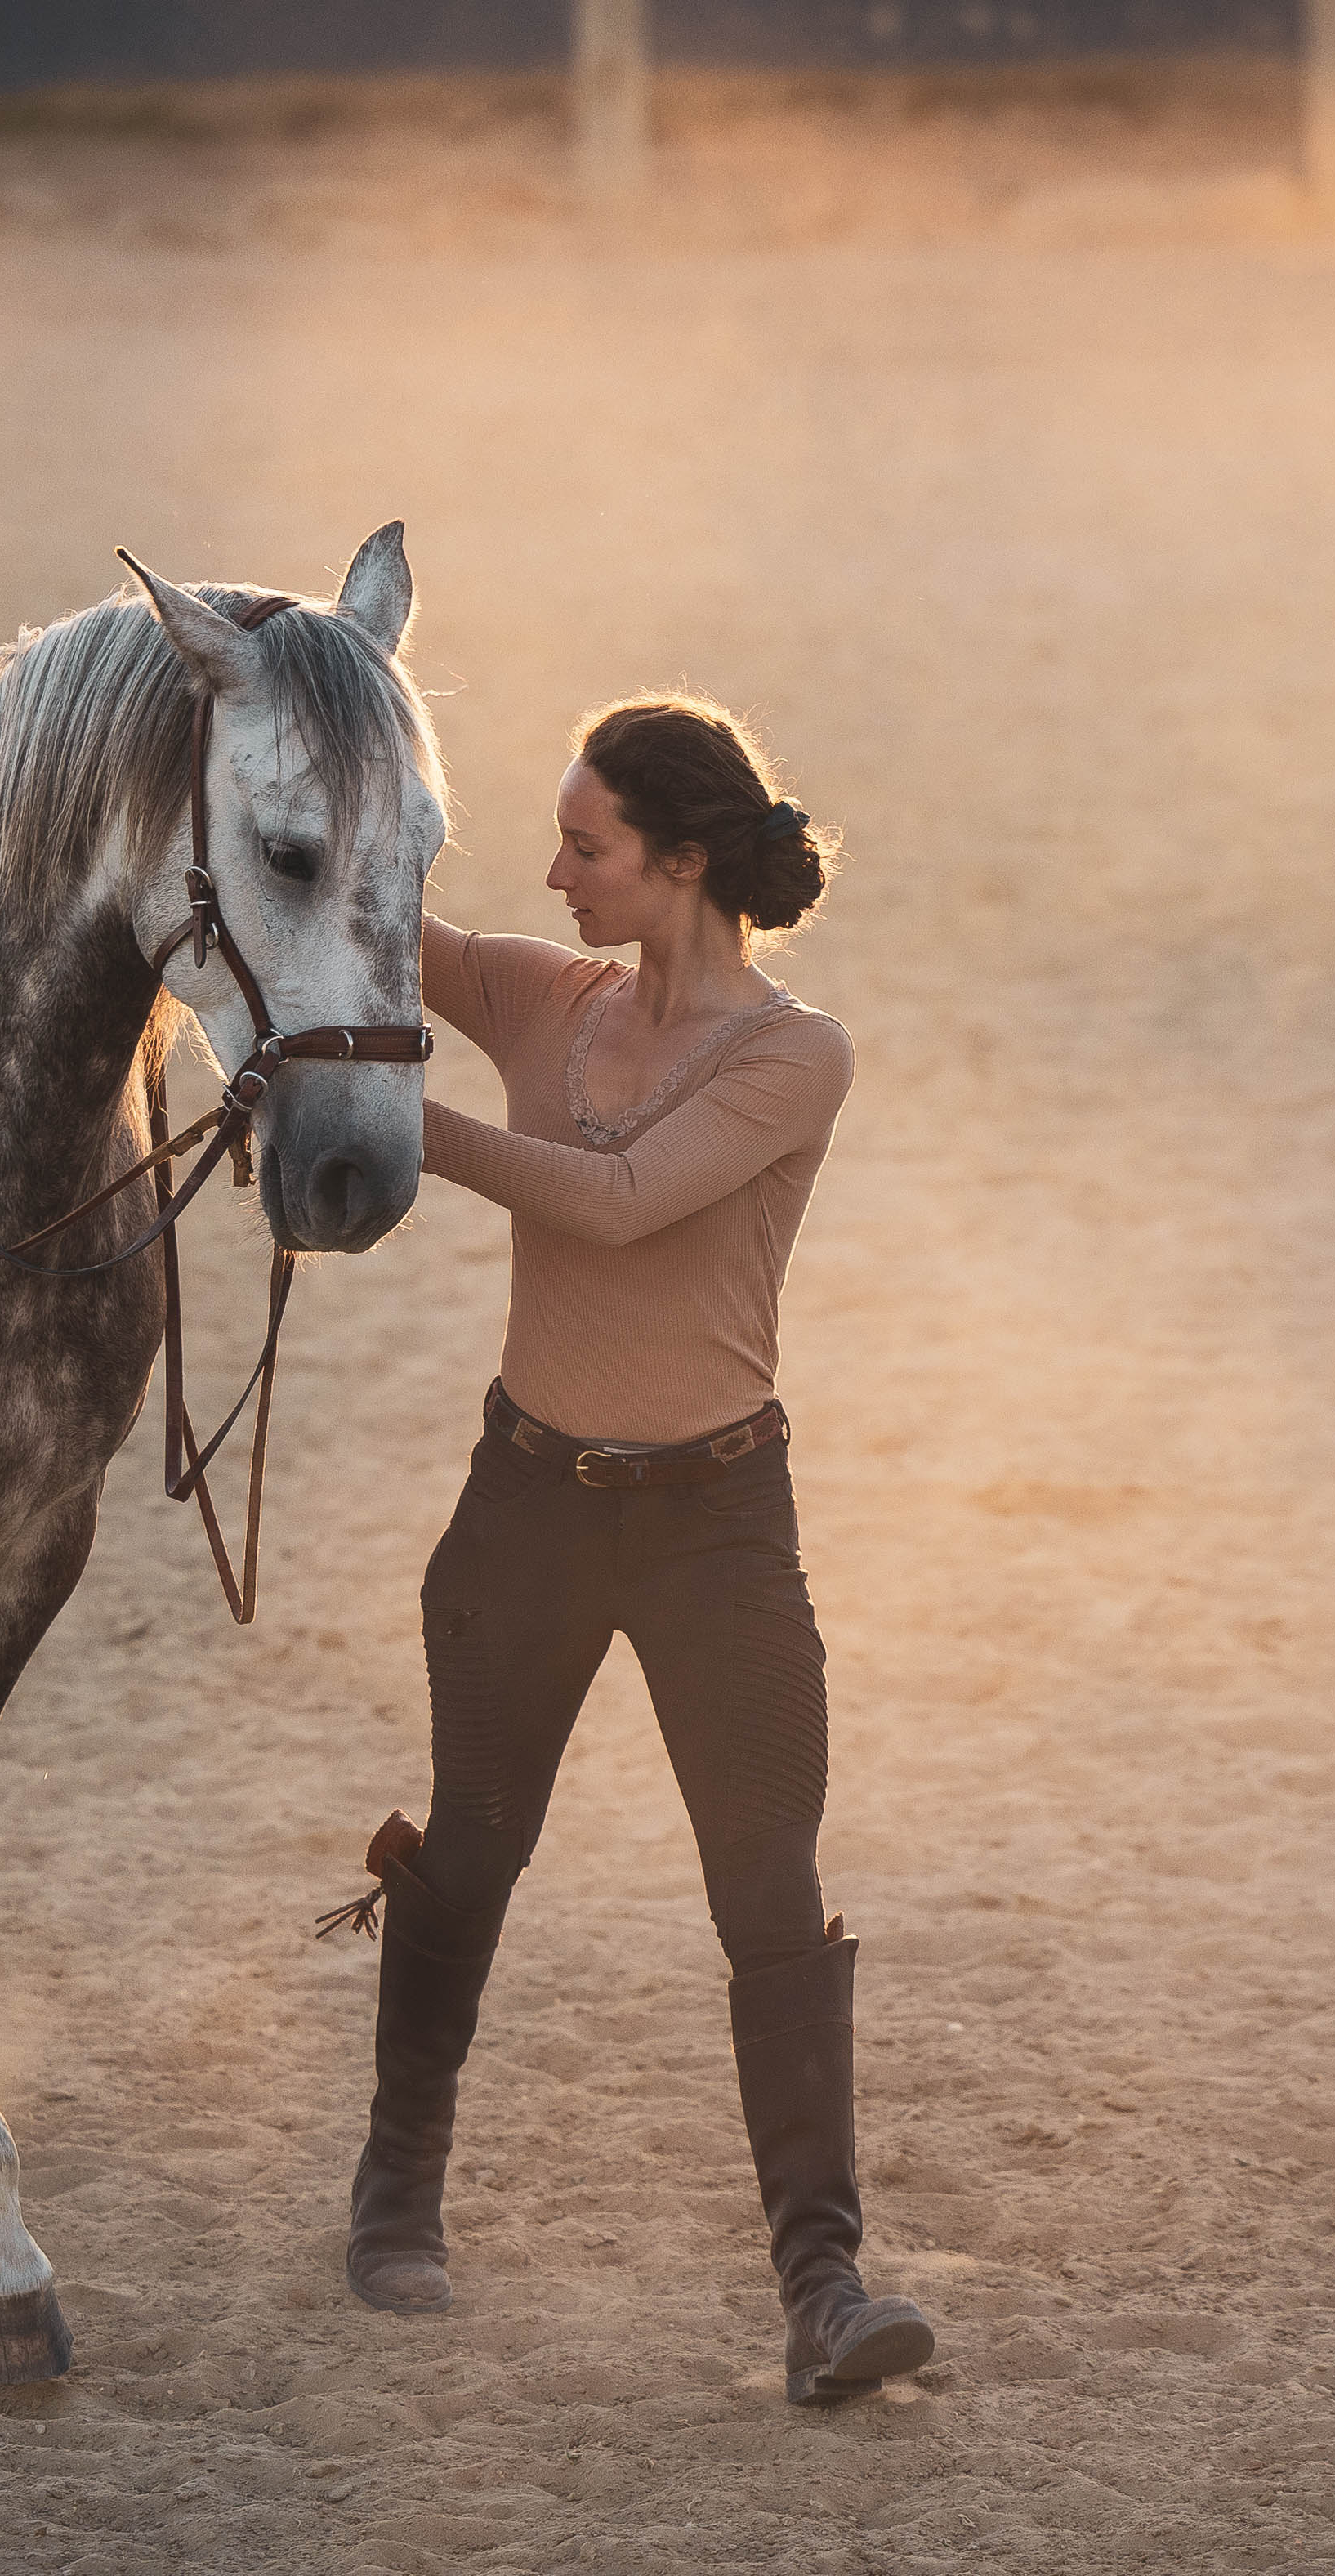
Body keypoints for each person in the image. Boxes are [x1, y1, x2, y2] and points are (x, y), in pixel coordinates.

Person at [342, 693, 939, 2407]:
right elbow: (387, 932)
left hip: (716, 1524)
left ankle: (823, 2283)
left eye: (589, 846)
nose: (555, 871)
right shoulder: (548, 991)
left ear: (681, 862)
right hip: (526, 1500)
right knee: (470, 1848)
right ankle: (396, 2195)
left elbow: (613, 1203)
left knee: (769, 1892)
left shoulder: (790, 1053)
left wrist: (397, 1123)